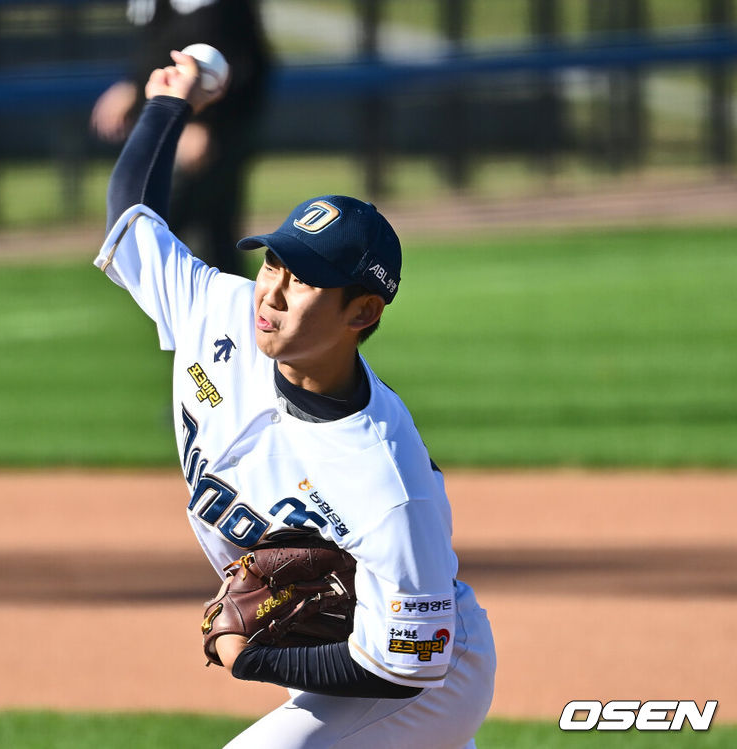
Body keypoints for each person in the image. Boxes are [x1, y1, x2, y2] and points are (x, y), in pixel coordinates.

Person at [94, 52, 497, 749]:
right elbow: (131, 218)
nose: (271, 290)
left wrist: (252, 658)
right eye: (273, 259)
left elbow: (406, 661)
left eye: (304, 277)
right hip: (341, 668)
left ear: (362, 312)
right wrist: (170, 104)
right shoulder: (215, 312)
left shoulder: (385, 478)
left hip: (428, 677)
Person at [90, 0, 270, 275]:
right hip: (189, 110)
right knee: (210, 231)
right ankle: (216, 315)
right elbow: (163, 39)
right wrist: (135, 84)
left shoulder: (216, 13)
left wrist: (198, 120)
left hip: (209, 122)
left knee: (157, 233)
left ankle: (210, 314)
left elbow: (226, 44)